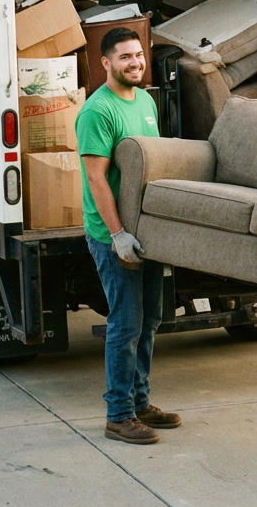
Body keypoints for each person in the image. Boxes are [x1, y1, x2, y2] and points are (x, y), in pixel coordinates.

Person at [76, 26, 181, 445]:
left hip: (145, 229)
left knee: (150, 319)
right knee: (125, 323)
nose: (135, 63)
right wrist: (117, 234)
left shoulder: (145, 101)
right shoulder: (97, 112)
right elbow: (96, 180)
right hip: (112, 232)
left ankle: (139, 402)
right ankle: (117, 415)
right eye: (125, 57)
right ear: (105, 63)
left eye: (139, 55)